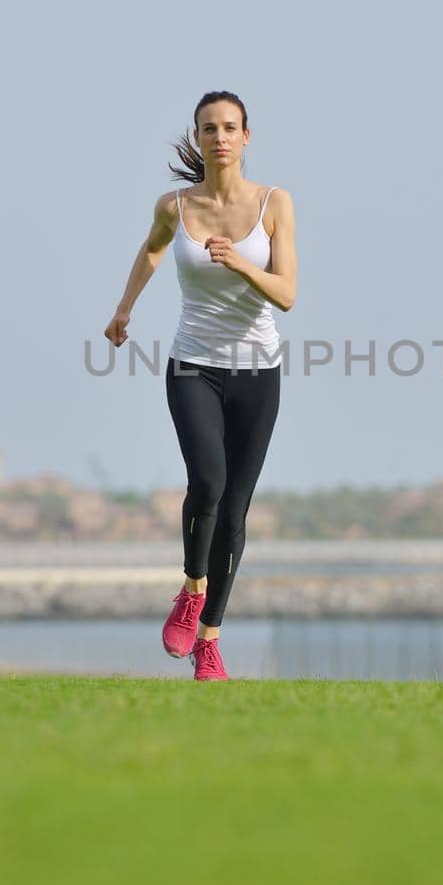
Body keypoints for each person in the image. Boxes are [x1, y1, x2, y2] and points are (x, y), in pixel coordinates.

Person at [104, 93, 297, 680]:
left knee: (235, 510)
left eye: (230, 128)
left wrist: (240, 262)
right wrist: (124, 308)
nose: (219, 137)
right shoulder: (176, 206)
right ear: (198, 135)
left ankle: (209, 638)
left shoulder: (274, 203)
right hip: (194, 366)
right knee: (207, 482)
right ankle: (192, 589)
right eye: (209, 128)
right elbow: (154, 249)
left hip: (258, 374)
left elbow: (287, 294)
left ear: (246, 136)